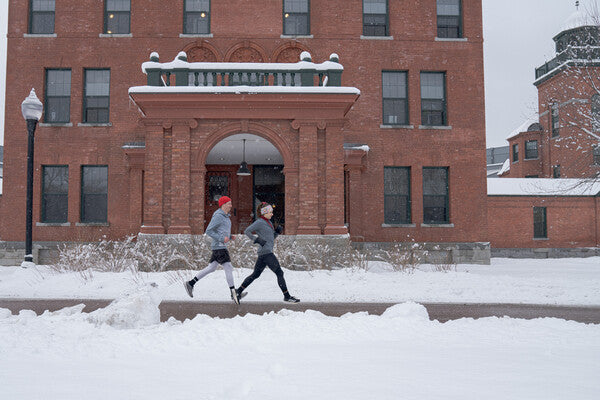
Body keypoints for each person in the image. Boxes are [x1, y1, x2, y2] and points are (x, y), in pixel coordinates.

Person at [236, 202, 300, 303]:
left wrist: (276, 233)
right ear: (264, 213)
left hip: (264, 253)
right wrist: (256, 239)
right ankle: (287, 296)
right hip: (266, 253)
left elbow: (270, 239)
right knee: (279, 272)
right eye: (270, 212)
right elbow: (247, 231)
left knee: (255, 275)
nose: (272, 214)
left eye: (272, 212)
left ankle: (238, 291)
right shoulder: (259, 222)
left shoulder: (268, 223)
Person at [184, 195, 241, 304]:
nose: (231, 205)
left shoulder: (225, 216)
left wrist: (229, 237)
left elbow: (221, 231)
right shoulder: (218, 216)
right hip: (219, 246)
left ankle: (191, 283)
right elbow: (209, 230)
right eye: (229, 203)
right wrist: (221, 238)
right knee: (228, 267)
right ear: (223, 205)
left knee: (211, 267)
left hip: (220, 246)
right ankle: (234, 293)